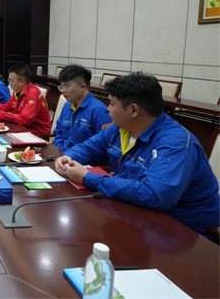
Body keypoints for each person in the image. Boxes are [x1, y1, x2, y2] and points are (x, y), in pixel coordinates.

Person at [55, 72, 219, 238]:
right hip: (137, 212)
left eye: (111, 104)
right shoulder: (121, 127)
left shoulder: (175, 143)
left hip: (184, 230)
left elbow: (155, 194)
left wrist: (87, 178)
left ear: (133, 110)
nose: (107, 109)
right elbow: (89, 147)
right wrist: (69, 157)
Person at [53, 65, 111, 150]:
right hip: (63, 155)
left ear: (82, 87)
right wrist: (60, 151)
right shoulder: (67, 106)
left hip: (83, 157)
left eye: (66, 86)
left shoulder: (98, 111)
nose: (62, 90)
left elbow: (104, 145)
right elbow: (58, 132)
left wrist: (70, 155)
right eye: (61, 86)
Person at [0, 64, 50, 135]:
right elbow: (6, 108)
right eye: (9, 80)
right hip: (20, 127)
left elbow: (24, 119)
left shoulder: (32, 94)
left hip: (36, 133)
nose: (10, 84)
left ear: (22, 81)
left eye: (11, 81)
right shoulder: (17, 92)